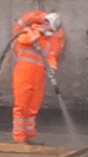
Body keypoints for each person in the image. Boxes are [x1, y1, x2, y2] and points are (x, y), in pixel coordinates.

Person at [11, 9, 64, 144]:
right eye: (50, 29)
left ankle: (29, 135)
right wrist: (39, 33)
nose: (51, 33)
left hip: (38, 74)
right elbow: (23, 41)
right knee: (21, 106)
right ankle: (19, 138)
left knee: (33, 106)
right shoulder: (29, 31)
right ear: (45, 23)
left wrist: (52, 68)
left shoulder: (51, 39)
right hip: (24, 73)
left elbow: (51, 55)